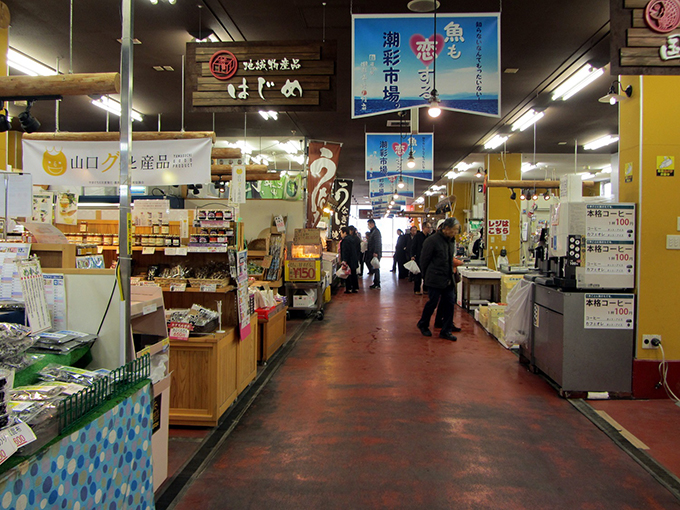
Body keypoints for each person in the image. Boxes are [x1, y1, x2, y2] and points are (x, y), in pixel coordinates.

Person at [416, 217, 464, 341]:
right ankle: (423, 324)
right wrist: (425, 277)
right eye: (454, 230)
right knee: (432, 302)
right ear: (446, 228)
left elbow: (449, 258)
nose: (455, 233)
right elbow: (424, 260)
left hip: (448, 277)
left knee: (449, 303)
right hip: (434, 277)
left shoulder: (451, 241)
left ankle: (446, 330)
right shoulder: (432, 241)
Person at [410, 222, 432, 294]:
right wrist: (412, 255)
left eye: (430, 228)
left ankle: (426, 289)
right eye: (428, 227)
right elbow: (413, 246)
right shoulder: (418, 236)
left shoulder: (429, 237)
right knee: (418, 274)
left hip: (428, 258)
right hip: (419, 257)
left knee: (427, 274)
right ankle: (417, 289)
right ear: (424, 228)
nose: (429, 229)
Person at [340, 227, 359, 293]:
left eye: (341, 233)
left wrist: (344, 260)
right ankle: (355, 287)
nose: (341, 234)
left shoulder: (345, 241)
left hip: (349, 260)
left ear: (345, 233)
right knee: (353, 273)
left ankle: (349, 288)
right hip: (354, 259)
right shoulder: (353, 239)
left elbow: (345, 251)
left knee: (347, 274)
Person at [366, 219, 382, 289]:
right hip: (372, 252)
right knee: (375, 267)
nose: (368, 226)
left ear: (372, 224)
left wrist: (376, 252)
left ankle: (377, 283)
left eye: (368, 224)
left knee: (376, 268)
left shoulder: (376, 232)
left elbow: (377, 242)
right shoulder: (373, 232)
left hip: (375, 253)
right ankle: (376, 282)